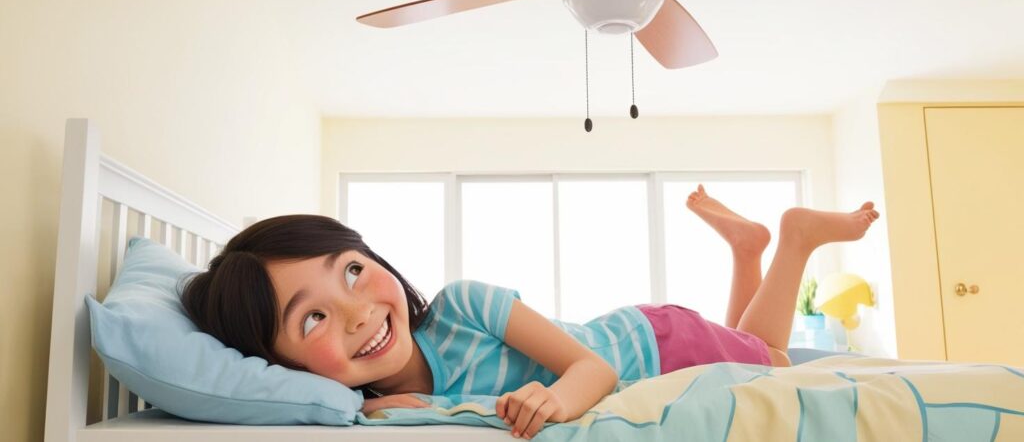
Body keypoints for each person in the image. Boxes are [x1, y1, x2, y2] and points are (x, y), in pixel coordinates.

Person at [181, 185, 879, 440]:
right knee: (749, 347)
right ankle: (747, 247)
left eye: (355, 271)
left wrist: (556, 396)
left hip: (650, 341)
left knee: (774, 359)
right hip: (655, 344)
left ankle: (790, 237)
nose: (359, 311)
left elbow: (591, 367)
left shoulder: (464, 303)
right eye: (314, 319)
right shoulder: (379, 409)